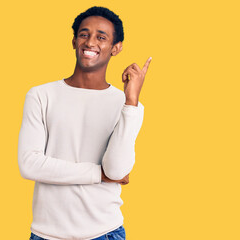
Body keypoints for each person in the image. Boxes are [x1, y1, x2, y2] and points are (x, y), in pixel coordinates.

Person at [18, 6, 151, 240]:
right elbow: (29, 164)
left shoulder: (127, 105)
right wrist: (98, 174)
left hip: (105, 232)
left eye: (101, 37)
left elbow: (117, 170)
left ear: (116, 48)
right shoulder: (41, 95)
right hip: (46, 234)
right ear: (73, 41)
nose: (90, 42)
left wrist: (131, 102)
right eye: (84, 34)